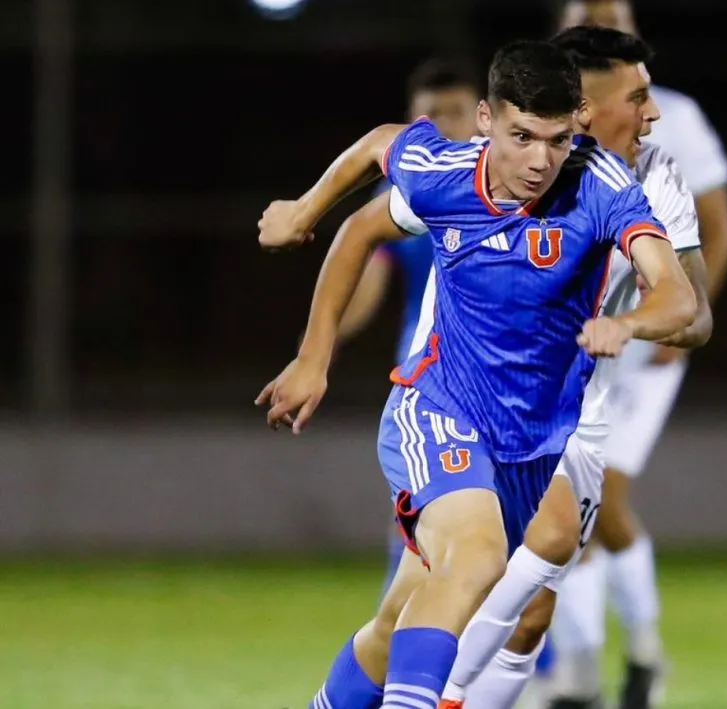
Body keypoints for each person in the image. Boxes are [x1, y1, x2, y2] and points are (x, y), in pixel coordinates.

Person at [255, 38, 698, 709]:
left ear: (575, 126)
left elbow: (678, 294)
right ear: (487, 120)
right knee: (480, 556)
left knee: (396, 619)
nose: (539, 160)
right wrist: (305, 223)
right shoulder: (446, 172)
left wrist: (629, 323)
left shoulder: (602, 185)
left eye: (555, 139)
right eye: (522, 136)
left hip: (531, 443)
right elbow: (378, 152)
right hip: (437, 405)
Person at [435, 26, 713, 709]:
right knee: (461, 583)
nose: (653, 114)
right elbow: (376, 211)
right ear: (585, 110)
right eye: (639, 96)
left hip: (578, 415)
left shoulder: (654, 178)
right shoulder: (494, 168)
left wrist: (632, 323)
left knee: (530, 608)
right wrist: (315, 349)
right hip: (462, 402)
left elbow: (696, 314)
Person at [549, 3, 727, 707]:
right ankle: (573, 668)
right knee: (539, 529)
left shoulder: (663, 148)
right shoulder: (516, 144)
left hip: (629, 354)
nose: (650, 112)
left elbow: (709, 253)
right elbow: (388, 183)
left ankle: (626, 659)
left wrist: (656, 324)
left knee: (589, 508)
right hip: (540, 368)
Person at [333, 58, 482, 592]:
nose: (444, 124)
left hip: (508, 384)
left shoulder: (518, 184)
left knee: (521, 529)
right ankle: (395, 652)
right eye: (430, 114)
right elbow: (367, 279)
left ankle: (545, 663)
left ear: (483, 115)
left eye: (456, 111)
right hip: (430, 385)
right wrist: (321, 345)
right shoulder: (407, 196)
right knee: (420, 520)